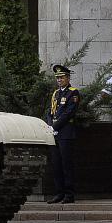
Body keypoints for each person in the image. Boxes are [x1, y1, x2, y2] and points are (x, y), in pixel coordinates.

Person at [44, 65, 80, 204]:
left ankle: (69, 194)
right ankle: (59, 193)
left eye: (62, 77)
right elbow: (50, 111)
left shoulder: (73, 93)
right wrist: (49, 125)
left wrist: (54, 126)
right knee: (56, 164)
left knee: (66, 164)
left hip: (65, 133)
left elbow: (68, 113)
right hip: (54, 133)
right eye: (58, 78)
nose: (59, 80)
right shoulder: (56, 93)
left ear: (68, 78)